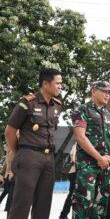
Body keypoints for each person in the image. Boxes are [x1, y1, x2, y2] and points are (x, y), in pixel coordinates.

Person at [5, 68, 62, 219]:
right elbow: (10, 131)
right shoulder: (27, 103)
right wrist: (20, 152)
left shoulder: (56, 105)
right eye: (57, 83)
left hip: (49, 158)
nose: (60, 86)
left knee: (44, 204)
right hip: (29, 156)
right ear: (45, 83)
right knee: (22, 204)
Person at [71, 81, 110, 219]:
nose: (107, 95)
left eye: (109, 92)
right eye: (104, 91)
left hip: (105, 166)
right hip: (87, 166)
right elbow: (80, 137)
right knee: (83, 204)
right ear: (93, 91)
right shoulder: (82, 110)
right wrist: (100, 158)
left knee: (101, 205)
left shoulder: (109, 114)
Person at [59, 144, 77, 219]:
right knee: (72, 194)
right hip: (74, 172)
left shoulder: (76, 144)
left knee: (71, 194)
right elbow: (74, 159)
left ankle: (63, 215)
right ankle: (63, 215)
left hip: (73, 172)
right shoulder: (77, 144)